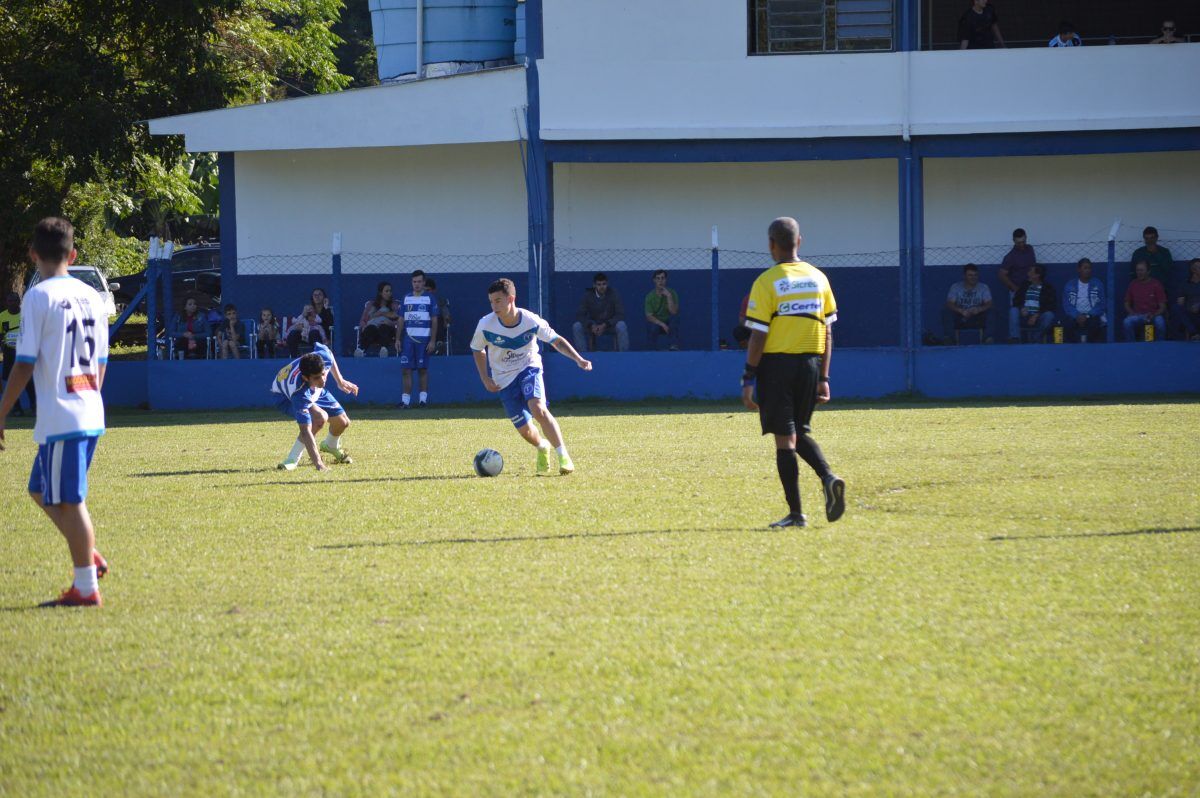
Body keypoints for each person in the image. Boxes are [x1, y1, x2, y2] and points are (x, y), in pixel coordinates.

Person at [0, 217, 110, 607]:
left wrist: (2, 412)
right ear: (73, 254)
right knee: (38, 489)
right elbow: (100, 362)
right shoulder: (93, 297)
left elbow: (24, 362)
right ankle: (88, 554)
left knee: (69, 500)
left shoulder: (38, 296)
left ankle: (85, 588)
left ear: (33, 255)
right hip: (87, 407)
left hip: (65, 413)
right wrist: (89, 397)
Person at [741, 217, 845, 530]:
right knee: (799, 431)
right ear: (799, 242)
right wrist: (824, 378)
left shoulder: (767, 281)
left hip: (777, 366)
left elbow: (758, 336)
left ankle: (797, 514)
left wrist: (748, 376)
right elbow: (828, 332)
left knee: (785, 439)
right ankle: (828, 477)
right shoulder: (818, 279)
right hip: (811, 364)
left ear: (772, 244)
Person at [470, 277, 592, 476]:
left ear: (511, 299)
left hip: (529, 368)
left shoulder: (530, 321)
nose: (494, 306)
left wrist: (578, 359)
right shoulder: (485, 325)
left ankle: (564, 456)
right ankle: (543, 446)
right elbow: (477, 349)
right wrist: (485, 378)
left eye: (498, 301)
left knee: (538, 408)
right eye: (491, 302)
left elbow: (556, 340)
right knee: (525, 431)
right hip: (503, 380)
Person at [271, 340, 358, 471]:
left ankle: (331, 445)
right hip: (284, 398)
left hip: (314, 390)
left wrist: (340, 381)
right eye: (317, 377)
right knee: (319, 418)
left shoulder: (324, 358)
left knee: (343, 422)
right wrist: (319, 464)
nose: (323, 380)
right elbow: (305, 430)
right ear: (306, 378)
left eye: (323, 374)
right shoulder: (298, 392)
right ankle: (292, 459)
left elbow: (328, 352)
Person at [396, 270, 439, 408]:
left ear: (424, 283)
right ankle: (405, 401)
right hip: (408, 340)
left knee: (422, 370)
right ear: (411, 283)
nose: (417, 284)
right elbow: (401, 319)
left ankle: (422, 401)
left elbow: (434, 321)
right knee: (406, 370)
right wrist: (397, 339)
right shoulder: (406, 298)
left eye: (419, 282)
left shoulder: (430, 298)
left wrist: (432, 341)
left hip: (424, 340)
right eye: (414, 282)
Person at [572, 272, 629, 352]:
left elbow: (620, 314)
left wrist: (605, 325)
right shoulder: (588, 296)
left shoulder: (614, 294)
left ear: (607, 284)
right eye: (599, 284)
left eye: (604, 284)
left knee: (621, 325)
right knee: (577, 326)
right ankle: (583, 356)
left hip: (609, 326)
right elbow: (580, 315)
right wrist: (591, 325)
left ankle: (623, 355)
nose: (602, 287)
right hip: (593, 326)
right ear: (594, 285)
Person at [1, 291, 36, 416]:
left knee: (27, 380)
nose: (12, 303)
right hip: (9, 352)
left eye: (15, 300)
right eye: (10, 301)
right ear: (6, 303)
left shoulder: (25, 315)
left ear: (19, 302)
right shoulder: (2, 317)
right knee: (10, 381)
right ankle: (16, 408)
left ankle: (34, 406)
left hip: (24, 351)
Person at [941, 263, 993, 344]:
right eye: (970, 275)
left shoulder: (983, 287)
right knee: (946, 310)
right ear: (964, 276)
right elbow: (950, 303)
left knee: (991, 311)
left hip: (977, 317)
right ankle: (950, 339)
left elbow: (989, 303)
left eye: (975, 275)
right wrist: (961, 311)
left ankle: (987, 339)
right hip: (960, 316)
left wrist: (979, 309)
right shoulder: (956, 287)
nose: (973, 278)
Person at [1061, 258, 1107, 343]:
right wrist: (1077, 315)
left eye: (1089, 268)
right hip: (1075, 315)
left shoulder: (1097, 284)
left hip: (1091, 315)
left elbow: (1101, 304)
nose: (1088, 270)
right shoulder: (1070, 285)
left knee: (1095, 325)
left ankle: (1091, 350)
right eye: (1085, 268)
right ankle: (1073, 349)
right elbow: (1066, 304)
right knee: (1067, 325)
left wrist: (1087, 316)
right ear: (1079, 270)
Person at [1010, 264, 1057, 342]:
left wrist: (1037, 315)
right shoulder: (1024, 285)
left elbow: (1051, 305)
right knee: (1013, 310)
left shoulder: (1048, 288)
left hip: (1039, 316)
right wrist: (1021, 308)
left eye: (1030, 271)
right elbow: (1016, 300)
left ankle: (1036, 337)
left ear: (1037, 275)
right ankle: (1015, 338)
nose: (1028, 273)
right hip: (1024, 315)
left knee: (1049, 315)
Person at [1123, 259, 1167, 341]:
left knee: (1160, 323)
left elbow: (1162, 307)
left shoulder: (1156, 284)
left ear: (1148, 271)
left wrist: (1153, 315)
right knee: (1127, 322)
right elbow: (1126, 303)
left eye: (1142, 270)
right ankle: (1130, 347)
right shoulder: (1133, 284)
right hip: (1137, 315)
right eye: (1137, 270)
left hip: (1153, 315)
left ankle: (1160, 346)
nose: (1139, 273)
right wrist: (1131, 313)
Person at [358, 281, 400, 356]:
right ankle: (361, 350)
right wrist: (364, 325)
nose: (389, 293)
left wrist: (391, 323)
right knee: (370, 328)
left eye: (390, 291)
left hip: (387, 332)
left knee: (383, 327)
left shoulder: (394, 305)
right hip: (373, 332)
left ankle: (383, 350)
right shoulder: (371, 305)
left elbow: (400, 320)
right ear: (380, 293)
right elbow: (362, 320)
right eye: (386, 291)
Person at [644, 269, 681, 351]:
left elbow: (673, 312)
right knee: (652, 326)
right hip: (657, 322)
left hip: (669, 321)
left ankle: (673, 346)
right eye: (658, 278)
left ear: (666, 280)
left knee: (674, 320)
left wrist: (669, 296)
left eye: (662, 278)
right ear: (654, 280)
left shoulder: (672, 293)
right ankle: (652, 350)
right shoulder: (649, 296)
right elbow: (649, 316)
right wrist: (662, 325)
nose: (660, 281)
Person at [998, 228, 1036, 301]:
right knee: (1015, 311)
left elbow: (1033, 267)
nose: (1021, 244)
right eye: (1018, 243)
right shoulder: (1010, 257)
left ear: (1026, 238)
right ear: (1013, 241)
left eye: (1023, 242)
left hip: (1031, 289)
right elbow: (1001, 275)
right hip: (1017, 291)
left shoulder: (1030, 249)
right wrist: (1015, 289)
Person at [1170, 259, 1200, 341]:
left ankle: (1194, 334)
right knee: (1176, 308)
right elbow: (1180, 302)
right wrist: (1189, 307)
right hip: (1190, 313)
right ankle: (1194, 333)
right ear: (1193, 270)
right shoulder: (1185, 284)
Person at [424, 276, 452, 354]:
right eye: (424, 290)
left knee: (437, 319)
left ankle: (439, 344)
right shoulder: (417, 301)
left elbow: (447, 315)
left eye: (428, 290)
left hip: (435, 326)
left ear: (434, 290)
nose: (426, 292)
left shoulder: (440, 302)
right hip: (422, 326)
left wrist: (447, 319)